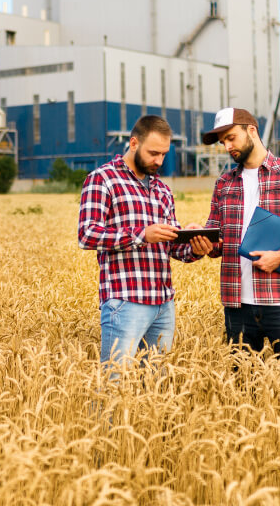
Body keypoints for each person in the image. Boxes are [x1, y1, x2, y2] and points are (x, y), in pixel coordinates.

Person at [183, 107, 280, 360]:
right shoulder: (224, 184)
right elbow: (217, 242)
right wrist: (201, 241)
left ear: (251, 131)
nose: (226, 147)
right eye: (223, 142)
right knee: (243, 386)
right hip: (237, 304)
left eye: (231, 138)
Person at [78, 114, 215, 369]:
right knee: (114, 382)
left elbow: (173, 247)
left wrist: (195, 245)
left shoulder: (162, 189)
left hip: (164, 304)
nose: (159, 161)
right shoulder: (103, 179)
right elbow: (87, 234)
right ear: (133, 143)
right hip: (126, 300)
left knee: (156, 388)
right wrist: (141, 235)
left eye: (163, 154)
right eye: (153, 153)